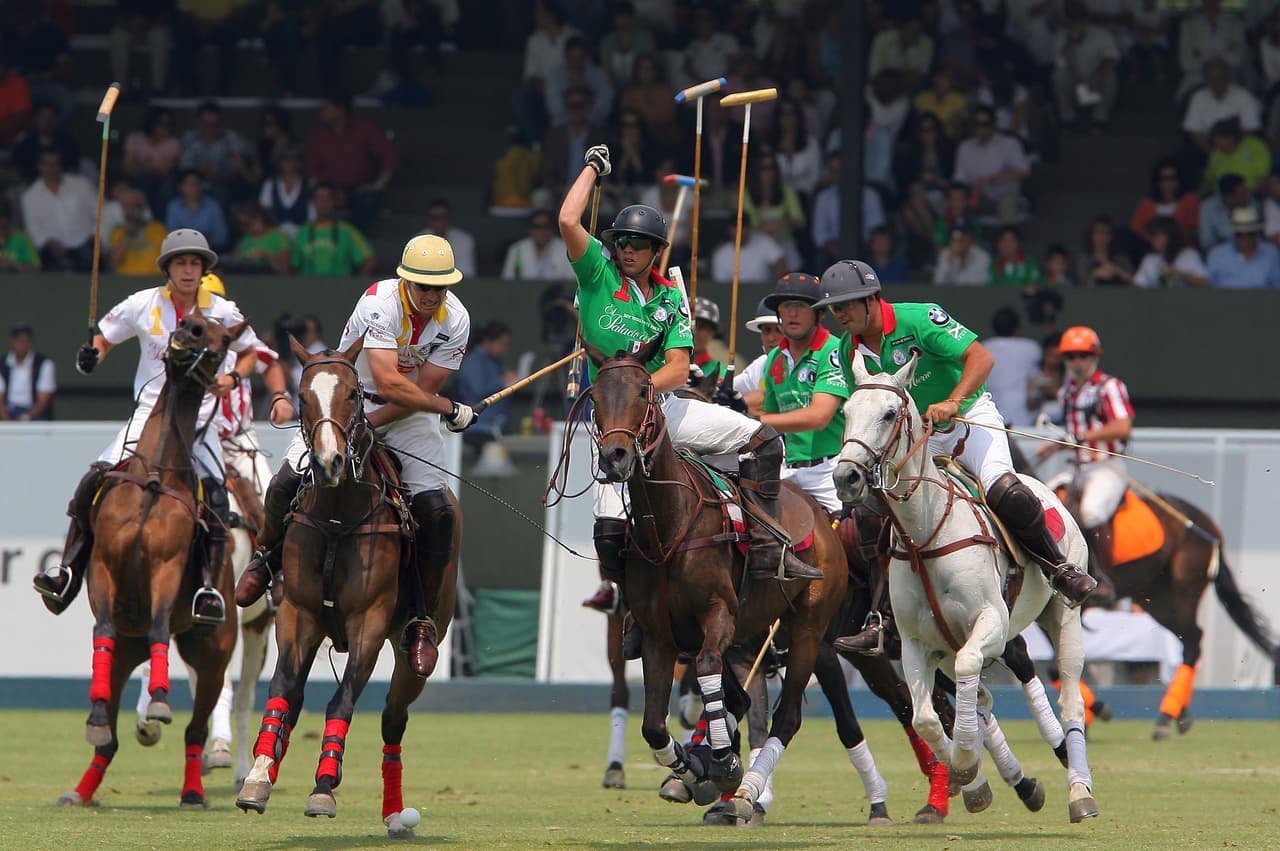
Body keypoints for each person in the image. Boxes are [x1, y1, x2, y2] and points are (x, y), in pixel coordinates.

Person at [564, 144, 822, 645]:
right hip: (615, 421)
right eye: (623, 242)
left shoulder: (669, 297)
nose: (628, 250)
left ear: (656, 251)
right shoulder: (597, 274)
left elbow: (679, 367)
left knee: (763, 440)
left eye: (639, 244)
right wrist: (592, 168)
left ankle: (767, 546)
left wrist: (640, 389)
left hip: (666, 410)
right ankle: (631, 605)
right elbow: (568, 219)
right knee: (609, 533)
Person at [817, 260, 1097, 653]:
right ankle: (884, 620)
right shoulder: (849, 349)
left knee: (1002, 489)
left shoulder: (920, 319)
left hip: (969, 418)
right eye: (834, 308)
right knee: (875, 513)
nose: (840, 314)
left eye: (846, 304)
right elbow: (864, 409)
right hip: (921, 436)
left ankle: (1059, 569)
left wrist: (953, 400)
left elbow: (981, 358)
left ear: (871, 299)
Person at [235, 234, 479, 679]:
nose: (432, 295)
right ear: (406, 281)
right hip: (342, 404)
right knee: (286, 479)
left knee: (438, 510)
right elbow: (387, 382)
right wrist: (448, 409)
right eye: (423, 286)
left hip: (407, 415)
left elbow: (419, 392)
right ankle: (266, 556)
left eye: (440, 287)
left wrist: (393, 417)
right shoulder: (378, 303)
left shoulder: (457, 319)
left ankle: (422, 619)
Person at [33, 230, 267, 624]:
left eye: (195, 263)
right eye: (181, 263)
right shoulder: (142, 304)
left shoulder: (222, 309)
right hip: (149, 415)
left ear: (203, 269)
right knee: (95, 478)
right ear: (168, 269)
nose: (188, 270)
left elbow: (251, 353)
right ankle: (68, 571)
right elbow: (104, 339)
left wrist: (231, 379)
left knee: (216, 493)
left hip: (200, 419)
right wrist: (92, 356)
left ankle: (208, 588)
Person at [1036, 326, 1133, 608]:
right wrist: (1055, 447)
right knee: (1040, 503)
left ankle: (1104, 579)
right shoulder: (1068, 391)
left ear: (1094, 356)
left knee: (1091, 512)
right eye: (1071, 357)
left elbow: (1122, 427)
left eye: (1082, 355)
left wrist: (1081, 437)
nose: (1076, 362)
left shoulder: (1110, 386)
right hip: (1077, 467)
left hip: (1106, 466)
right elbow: (1074, 435)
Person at [756, 273, 850, 515]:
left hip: (830, 470)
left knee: (851, 532)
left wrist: (756, 420)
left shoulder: (833, 351)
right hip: (787, 470)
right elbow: (771, 419)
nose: (792, 314)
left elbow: (819, 417)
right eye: (786, 306)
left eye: (801, 306)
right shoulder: (774, 358)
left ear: (818, 313)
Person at [200, 273, 293, 497]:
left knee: (271, 501)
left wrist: (280, 396)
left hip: (239, 441)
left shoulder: (241, 343)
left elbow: (269, 363)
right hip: (197, 441)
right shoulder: (184, 342)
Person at [303, 95, 399, 230]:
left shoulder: (364, 129)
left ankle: (351, 237)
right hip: (328, 189)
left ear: (340, 110)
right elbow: (312, 170)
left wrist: (379, 183)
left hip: (360, 189)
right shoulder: (318, 134)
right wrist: (329, 192)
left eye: (326, 108)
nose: (321, 111)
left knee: (367, 200)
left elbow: (389, 155)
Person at [20, 148, 97, 273]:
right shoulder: (30, 196)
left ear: (61, 165)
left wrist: (93, 235)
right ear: (40, 166)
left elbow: (100, 213)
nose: (52, 168)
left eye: (56, 163)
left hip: (86, 246)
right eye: (48, 164)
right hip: (51, 251)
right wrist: (50, 243)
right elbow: (34, 229)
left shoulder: (82, 185)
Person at [952, 105, 1029, 224]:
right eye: (977, 124)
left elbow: (1022, 171)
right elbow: (959, 179)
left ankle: (1007, 233)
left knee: (1007, 201)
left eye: (985, 124)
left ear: (993, 124)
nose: (981, 128)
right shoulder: (964, 147)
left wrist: (991, 180)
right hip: (976, 197)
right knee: (956, 198)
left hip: (1004, 196)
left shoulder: (1009, 144)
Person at [1051, 1, 1120, 133]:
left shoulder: (1101, 34)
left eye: (1080, 17)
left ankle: (1100, 120)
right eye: (1072, 17)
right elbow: (1059, 64)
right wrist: (1070, 42)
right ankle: (1068, 119)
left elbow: (1112, 58)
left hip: (1095, 89)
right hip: (1076, 93)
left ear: (1086, 18)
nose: (1076, 21)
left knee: (1110, 75)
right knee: (1059, 75)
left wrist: (1097, 76)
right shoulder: (1061, 36)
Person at [290, 183, 376, 277]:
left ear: (334, 201)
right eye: (320, 198)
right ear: (313, 202)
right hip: (308, 285)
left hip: (340, 285)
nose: (324, 203)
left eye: (328, 198)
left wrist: (356, 284)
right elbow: (293, 266)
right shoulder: (303, 232)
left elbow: (370, 259)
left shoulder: (346, 231)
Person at [455, 320, 516, 449]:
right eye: (501, 344)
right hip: (479, 427)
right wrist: (503, 381)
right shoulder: (474, 360)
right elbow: (479, 389)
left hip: (495, 426)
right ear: (488, 341)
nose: (504, 349)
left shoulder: (493, 361)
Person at [982, 306, 1041, 427]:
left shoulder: (983, 348)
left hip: (990, 416)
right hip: (1022, 418)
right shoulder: (1031, 348)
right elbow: (1034, 383)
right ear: (1017, 328)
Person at [1206, 206, 1280, 288]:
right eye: (1240, 234)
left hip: (1262, 296)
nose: (1245, 238)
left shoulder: (1271, 253)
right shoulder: (1217, 254)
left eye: (1250, 233)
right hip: (1224, 296)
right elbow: (1208, 286)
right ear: (1234, 234)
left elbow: (1277, 286)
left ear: (1256, 233)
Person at [734, 297, 783, 415]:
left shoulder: (806, 363)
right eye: (766, 330)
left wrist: (743, 403)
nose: (771, 338)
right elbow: (730, 389)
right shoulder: (760, 365)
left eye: (779, 330)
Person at [1, 323, 55, 421]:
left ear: (31, 343)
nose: (22, 344)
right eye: (19, 340)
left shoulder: (44, 364)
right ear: (11, 342)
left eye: (26, 340)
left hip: (34, 414)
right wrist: (7, 420)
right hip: (8, 411)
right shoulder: (2, 364)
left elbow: (43, 400)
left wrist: (24, 418)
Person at [1134, 216, 1208, 288]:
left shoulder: (1189, 254)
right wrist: (1126, 277)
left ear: (1170, 235)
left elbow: (1205, 283)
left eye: (1156, 235)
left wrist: (1180, 274)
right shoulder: (1149, 259)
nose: (1152, 239)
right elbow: (1138, 286)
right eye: (1151, 235)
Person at [165, 170, 229, 252]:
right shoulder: (174, 206)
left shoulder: (212, 205)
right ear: (181, 187)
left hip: (210, 251)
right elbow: (171, 236)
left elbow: (221, 237)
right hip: (181, 252)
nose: (194, 188)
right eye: (190, 185)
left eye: (196, 184)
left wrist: (204, 241)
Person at [501, 209, 574, 281]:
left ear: (553, 228)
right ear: (530, 229)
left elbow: (571, 281)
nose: (541, 231)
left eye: (546, 226)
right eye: (537, 227)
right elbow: (507, 281)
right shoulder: (517, 249)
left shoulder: (566, 250)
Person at [109, 188, 168, 275]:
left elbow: (167, 259)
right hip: (126, 280)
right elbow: (115, 260)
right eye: (128, 205)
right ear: (123, 208)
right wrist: (127, 235)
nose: (132, 210)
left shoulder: (157, 229)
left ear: (143, 208)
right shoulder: (118, 232)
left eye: (136, 206)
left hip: (154, 279)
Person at [424, 198, 476, 277]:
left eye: (443, 217)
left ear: (450, 218)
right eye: (435, 217)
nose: (439, 221)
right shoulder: (418, 240)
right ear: (428, 219)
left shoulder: (464, 240)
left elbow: (466, 274)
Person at [933, 219, 991, 285]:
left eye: (964, 235)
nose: (959, 239)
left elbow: (979, 284)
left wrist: (963, 261)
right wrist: (949, 260)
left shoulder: (982, 257)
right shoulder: (946, 254)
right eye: (956, 235)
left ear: (971, 238)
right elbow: (937, 282)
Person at [0, 199, 40, 273]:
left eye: (3, 225)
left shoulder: (21, 238)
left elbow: (36, 269)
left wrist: (13, 265)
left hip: (18, 279)